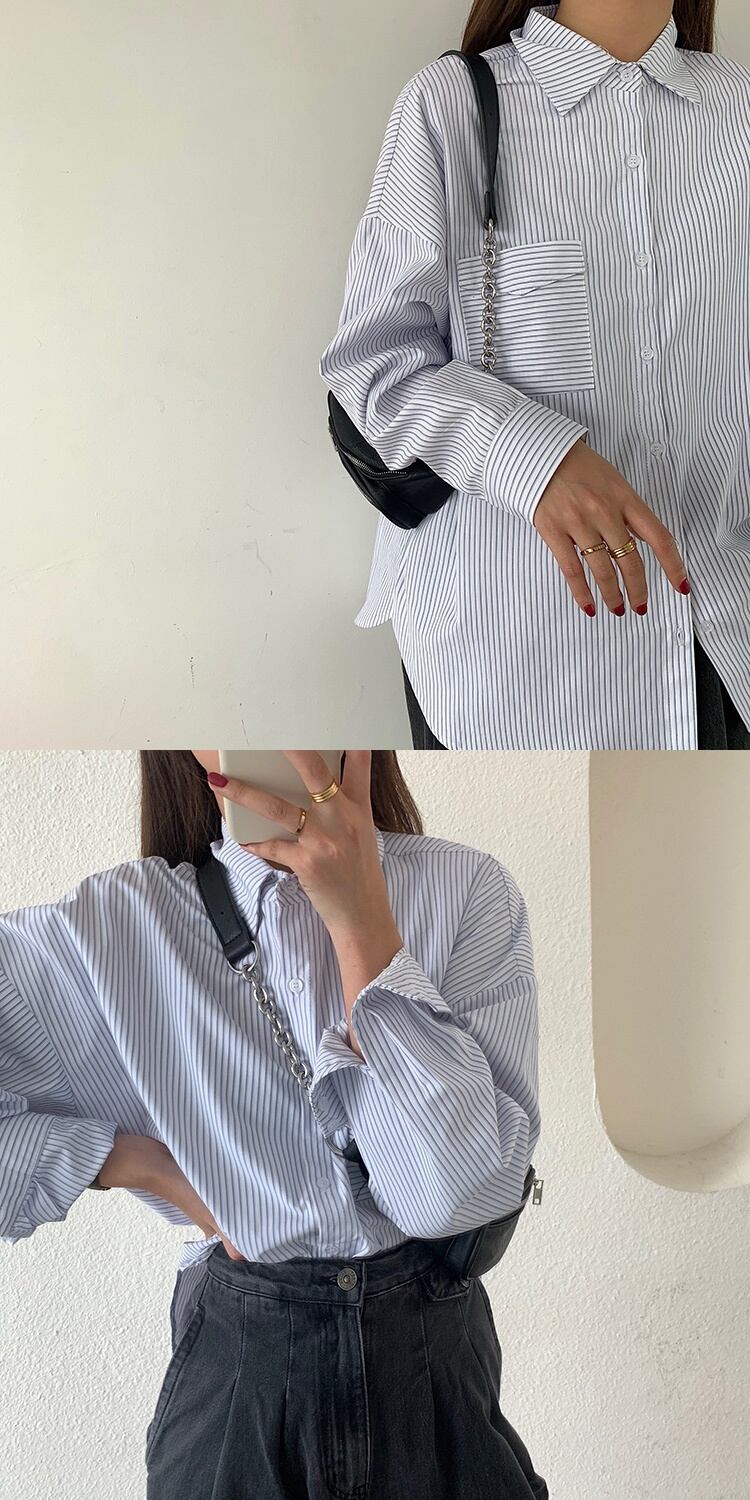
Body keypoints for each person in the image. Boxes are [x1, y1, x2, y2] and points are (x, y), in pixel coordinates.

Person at [0, 749, 547, 1499]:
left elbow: (448, 1199)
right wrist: (121, 1159)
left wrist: (360, 923)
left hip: (435, 1389)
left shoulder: (464, 890)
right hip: (239, 1399)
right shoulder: (110, 928)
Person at [320, 0, 750, 751]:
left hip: (723, 635)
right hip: (516, 667)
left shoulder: (737, 112)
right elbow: (375, 369)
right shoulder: (452, 108)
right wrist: (534, 458)